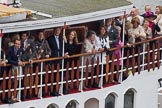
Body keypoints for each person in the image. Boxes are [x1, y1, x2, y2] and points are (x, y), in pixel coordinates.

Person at [47, 27, 63, 96]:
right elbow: (48, 48)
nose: (57, 31)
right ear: (54, 31)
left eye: (58, 30)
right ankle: (51, 90)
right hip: (53, 59)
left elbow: (62, 48)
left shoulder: (61, 39)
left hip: (60, 59)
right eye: (56, 30)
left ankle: (57, 90)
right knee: (52, 76)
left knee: (58, 76)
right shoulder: (50, 39)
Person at [7, 38, 24, 103]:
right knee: (12, 82)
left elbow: (21, 57)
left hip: (19, 68)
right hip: (12, 68)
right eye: (16, 43)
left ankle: (17, 96)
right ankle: (11, 96)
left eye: (18, 44)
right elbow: (9, 60)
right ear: (14, 43)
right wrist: (17, 63)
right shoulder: (10, 49)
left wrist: (22, 62)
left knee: (19, 81)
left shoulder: (20, 49)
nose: (17, 45)